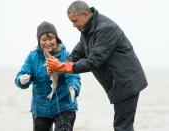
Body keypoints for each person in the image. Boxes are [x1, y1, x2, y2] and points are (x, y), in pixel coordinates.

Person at [46, 1, 148, 131]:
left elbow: (94, 61)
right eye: (71, 22)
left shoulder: (106, 28)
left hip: (126, 81)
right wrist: (60, 65)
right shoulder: (86, 29)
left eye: (75, 21)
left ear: (85, 14)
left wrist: (64, 68)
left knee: (122, 126)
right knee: (122, 125)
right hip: (116, 83)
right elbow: (76, 54)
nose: (73, 25)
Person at [15, 21, 81, 131]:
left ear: (56, 39)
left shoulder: (66, 55)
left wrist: (74, 87)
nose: (48, 43)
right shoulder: (32, 57)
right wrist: (21, 80)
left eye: (51, 38)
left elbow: (73, 76)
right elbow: (21, 75)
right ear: (39, 41)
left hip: (64, 106)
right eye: (44, 39)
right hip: (40, 109)